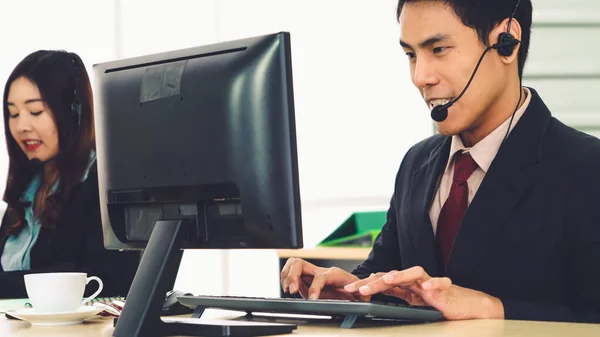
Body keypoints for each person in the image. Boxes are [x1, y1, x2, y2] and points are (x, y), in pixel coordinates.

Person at [281, 0, 600, 323]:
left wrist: (492, 309)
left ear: (506, 41)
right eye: (411, 54)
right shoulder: (416, 163)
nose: (421, 77)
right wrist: (355, 290)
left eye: (439, 49)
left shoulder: (587, 168)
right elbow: (390, 274)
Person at [0, 50, 140, 298]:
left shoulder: (103, 184)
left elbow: (106, 279)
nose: (21, 126)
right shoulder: (26, 189)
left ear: (73, 112)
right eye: (13, 113)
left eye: (35, 112)